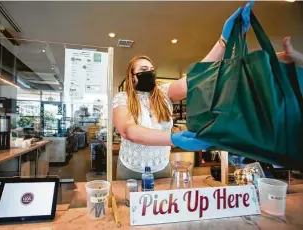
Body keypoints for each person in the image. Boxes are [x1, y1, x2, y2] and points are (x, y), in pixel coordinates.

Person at [112, 2, 302, 180]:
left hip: (161, 167)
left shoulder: (163, 93)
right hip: (131, 168)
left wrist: (223, 41)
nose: (149, 74)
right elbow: (129, 130)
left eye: (152, 70)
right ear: (132, 76)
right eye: (144, 70)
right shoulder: (123, 97)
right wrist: (172, 138)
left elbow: (194, 78)